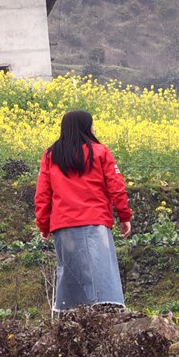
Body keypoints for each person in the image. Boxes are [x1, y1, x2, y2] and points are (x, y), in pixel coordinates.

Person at [34, 109, 133, 311]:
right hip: (95, 222)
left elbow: (43, 194)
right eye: (91, 124)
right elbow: (117, 186)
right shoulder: (100, 152)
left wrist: (43, 224)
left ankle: (71, 318)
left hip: (64, 226)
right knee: (101, 273)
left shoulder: (51, 155)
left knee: (72, 275)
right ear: (85, 126)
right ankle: (107, 317)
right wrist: (124, 216)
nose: (94, 128)